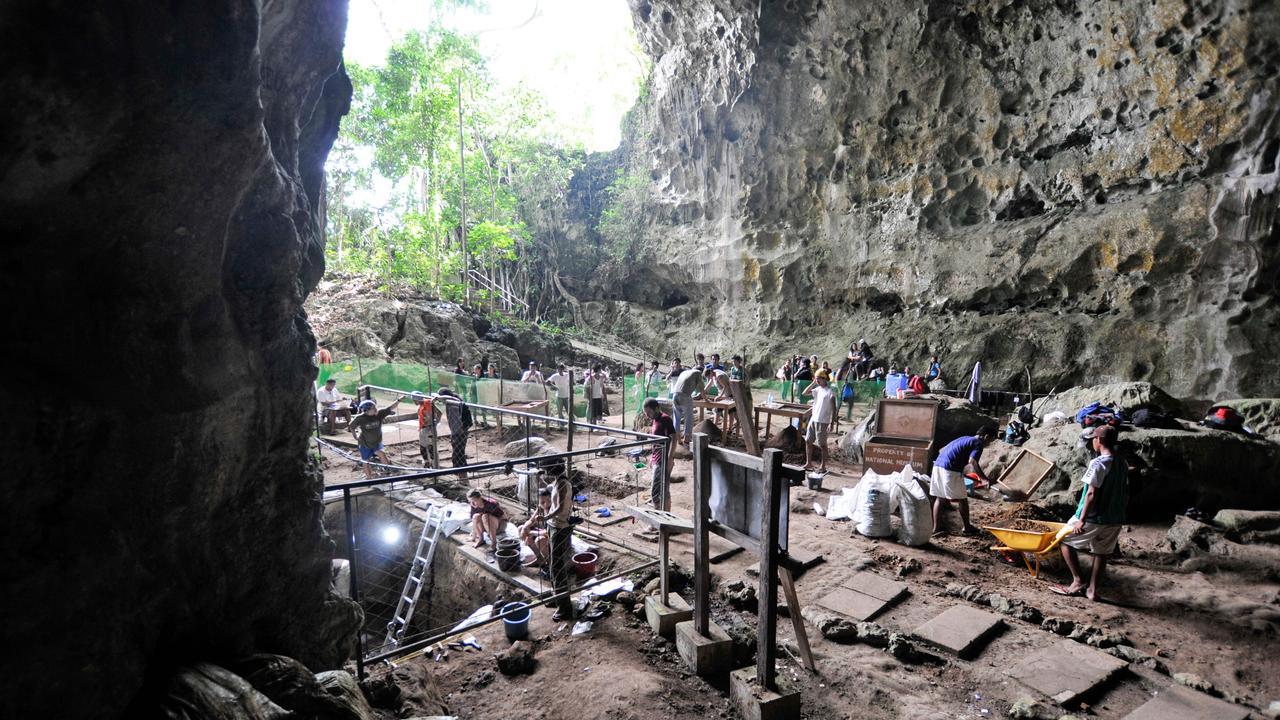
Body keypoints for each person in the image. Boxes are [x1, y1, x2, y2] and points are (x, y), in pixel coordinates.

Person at [1055, 425, 1128, 601]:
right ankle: (1092, 591)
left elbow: (1091, 493)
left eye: (1094, 439)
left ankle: (1078, 581)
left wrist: (1081, 519)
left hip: (1094, 516)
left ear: (1099, 440)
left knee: (1064, 541)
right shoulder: (1122, 463)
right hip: (1115, 517)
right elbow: (1125, 491)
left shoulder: (1099, 463)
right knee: (1101, 552)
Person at [929, 427, 996, 536]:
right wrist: (983, 479)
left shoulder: (965, 438)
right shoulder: (977, 443)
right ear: (986, 436)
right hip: (950, 469)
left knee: (940, 498)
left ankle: (935, 529)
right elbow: (973, 461)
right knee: (962, 499)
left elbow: (943, 450)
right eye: (991, 440)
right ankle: (967, 527)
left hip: (937, 466)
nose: (989, 443)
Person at [545, 464, 576, 621]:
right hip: (553, 526)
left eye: (545, 468)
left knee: (558, 568)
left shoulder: (564, 484)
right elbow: (550, 488)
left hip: (560, 528)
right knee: (552, 564)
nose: (544, 471)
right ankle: (557, 598)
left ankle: (565, 608)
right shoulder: (557, 481)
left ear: (552, 470)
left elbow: (560, 507)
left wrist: (545, 517)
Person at [350, 397, 403, 479]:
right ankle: (369, 478)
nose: (375, 409)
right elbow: (351, 426)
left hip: (376, 442)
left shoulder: (379, 414)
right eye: (373, 408)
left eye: (375, 407)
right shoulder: (360, 418)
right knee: (365, 461)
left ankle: (388, 472)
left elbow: (391, 407)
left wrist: (399, 400)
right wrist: (355, 436)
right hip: (365, 444)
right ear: (366, 410)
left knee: (382, 454)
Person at [644, 398, 677, 511]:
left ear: (656, 408)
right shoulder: (655, 419)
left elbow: (674, 438)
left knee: (656, 491)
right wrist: (652, 458)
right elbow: (656, 442)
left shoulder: (665, 419)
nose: (648, 415)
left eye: (649, 412)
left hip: (663, 460)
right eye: (646, 413)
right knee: (663, 489)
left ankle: (659, 520)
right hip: (656, 459)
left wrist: (670, 458)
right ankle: (666, 517)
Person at [802, 371, 837, 472]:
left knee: (822, 445)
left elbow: (834, 409)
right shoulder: (817, 390)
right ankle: (808, 463)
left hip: (823, 421)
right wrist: (813, 383)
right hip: (813, 419)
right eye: (816, 378)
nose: (817, 381)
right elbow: (804, 393)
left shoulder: (830, 392)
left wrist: (832, 423)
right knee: (808, 441)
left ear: (824, 379)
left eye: (819, 379)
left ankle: (823, 466)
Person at [670, 366, 708, 445]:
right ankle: (687, 439)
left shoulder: (684, 372)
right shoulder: (697, 373)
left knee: (676, 418)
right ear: (701, 371)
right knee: (689, 418)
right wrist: (706, 400)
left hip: (674, 395)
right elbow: (701, 390)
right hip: (685, 396)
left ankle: (677, 439)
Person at [438, 387, 471, 477]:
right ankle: (462, 477)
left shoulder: (453, 405)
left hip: (459, 432)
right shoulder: (453, 401)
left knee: (458, 455)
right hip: (460, 431)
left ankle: (462, 477)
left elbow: (456, 421)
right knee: (459, 454)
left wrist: (456, 434)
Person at [519, 487, 552, 567]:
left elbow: (550, 531)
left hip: (553, 537)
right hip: (545, 532)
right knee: (521, 528)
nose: (546, 504)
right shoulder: (541, 507)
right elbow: (531, 520)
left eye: (549, 501)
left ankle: (549, 562)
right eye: (542, 502)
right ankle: (540, 558)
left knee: (539, 540)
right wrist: (524, 528)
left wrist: (533, 533)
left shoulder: (553, 510)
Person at [467, 488, 506, 554]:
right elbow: (474, 520)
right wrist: (473, 536)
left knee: (485, 517)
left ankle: (494, 543)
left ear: (480, 498)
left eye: (474, 500)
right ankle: (481, 539)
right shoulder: (473, 505)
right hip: (486, 528)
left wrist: (491, 528)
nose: (472, 503)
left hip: (498, 526)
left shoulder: (491, 503)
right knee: (476, 516)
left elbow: (503, 517)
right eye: (470, 501)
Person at [412, 391, 440, 467]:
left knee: (431, 448)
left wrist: (434, 423)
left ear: (417, 399)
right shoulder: (420, 406)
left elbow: (438, 413)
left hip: (429, 429)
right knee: (422, 448)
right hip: (423, 429)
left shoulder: (427, 403)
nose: (413, 402)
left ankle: (435, 466)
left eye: (414, 400)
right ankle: (427, 463)